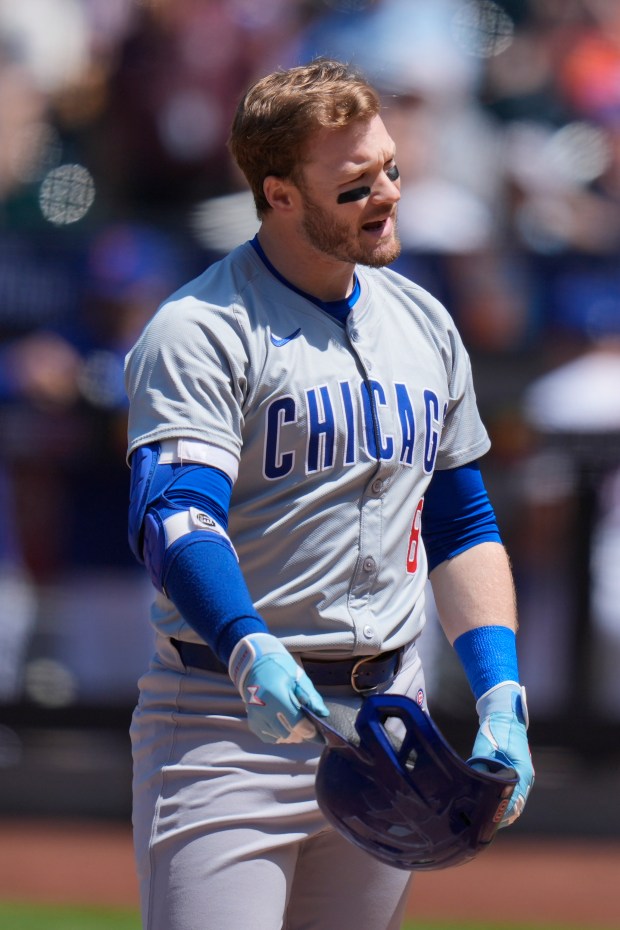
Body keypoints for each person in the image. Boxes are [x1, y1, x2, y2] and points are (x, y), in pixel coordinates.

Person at [124, 58, 534, 930]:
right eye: (355, 184)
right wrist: (246, 644)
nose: (387, 194)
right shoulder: (201, 330)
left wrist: (499, 691)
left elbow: (462, 522)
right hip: (228, 721)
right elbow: (174, 517)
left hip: (390, 726)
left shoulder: (423, 321)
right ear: (278, 194)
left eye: (389, 168)